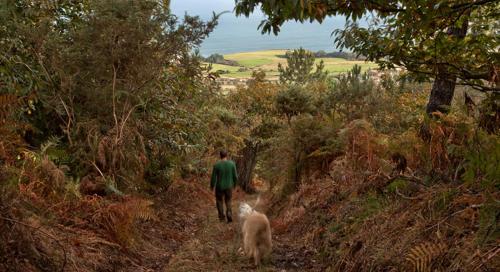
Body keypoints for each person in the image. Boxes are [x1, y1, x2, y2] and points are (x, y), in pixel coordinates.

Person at [210, 150, 238, 223]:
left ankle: (222, 217)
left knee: (219, 201)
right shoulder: (232, 164)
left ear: (220, 155)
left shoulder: (217, 165)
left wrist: (212, 186)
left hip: (219, 187)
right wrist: (235, 185)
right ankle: (229, 213)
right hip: (229, 186)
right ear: (227, 155)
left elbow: (213, 177)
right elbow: (235, 176)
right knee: (228, 200)